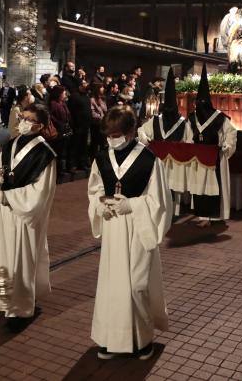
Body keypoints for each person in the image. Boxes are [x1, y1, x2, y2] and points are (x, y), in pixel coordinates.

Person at [87, 105, 171, 360]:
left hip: (138, 227)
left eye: (117, 135)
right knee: (113, 285)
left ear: (132, 131)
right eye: (109, 136)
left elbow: (160, 202)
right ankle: (111, 338)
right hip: (113, 227)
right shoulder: (102, 158)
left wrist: (131, 204)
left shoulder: (149, 160)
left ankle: (142, 339)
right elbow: (94, 189)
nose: (113, 140)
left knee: (137, 284)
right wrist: (101, 205)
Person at [0, 103, 57, 331]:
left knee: (22, 261)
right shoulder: (11, 144)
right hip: (6, 215)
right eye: (22, 117)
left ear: (39, 126)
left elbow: (41, 192)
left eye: (28, 119)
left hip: (25, 216)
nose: (22, 121)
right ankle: (5, 301)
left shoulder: (45, 154)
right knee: (5, 258)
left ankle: (21, 310)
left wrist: (8, 197)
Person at [183, 64, 237, 226]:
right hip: (199, 160)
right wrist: (190, 146)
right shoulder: (192, 118)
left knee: (214, 186)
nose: (199, 106)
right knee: (200, 187)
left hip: (216, 159)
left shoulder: (219, 118)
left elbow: (231, 132)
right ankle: (203, 216)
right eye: (198, 102)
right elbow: (187, 136)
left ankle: (213, 215)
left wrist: (226, 147)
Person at [138, 68, 188, 217]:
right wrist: (147, 141)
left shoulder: (183, 124)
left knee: (173, 185)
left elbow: (188, 140)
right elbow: (141, 131)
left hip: (175, 163)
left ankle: (174, 210)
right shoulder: (155, 121)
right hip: (157, 161)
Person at [68, 79, 92, 170]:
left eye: (86, 83)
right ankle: (72, 164)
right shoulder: (74, 96)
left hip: (85, 126)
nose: (86, 85)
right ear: (79, 86)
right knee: (75, 145)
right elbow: (71, 111)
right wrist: (74, 124)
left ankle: (82, 163)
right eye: (84, 83)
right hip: (77, 126)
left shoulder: (86, 96)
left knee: (83, 146)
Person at [48, 85, 72, 175]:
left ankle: (61, 169)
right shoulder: (53, 104)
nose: (65, 94)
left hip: (64, 130)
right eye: (63, 93)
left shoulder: (62, 103)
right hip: (58, 131)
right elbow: (51, 117)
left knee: (62, 151)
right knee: (57, 151)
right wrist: (60, 124)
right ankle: (57, 171)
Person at [89, 83, 108, 158]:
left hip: (102, 123)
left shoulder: (102, 98)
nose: (103, 88)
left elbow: (105, 109)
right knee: (95, 142)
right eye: (101, 87)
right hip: (96, 124)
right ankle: (93, 159)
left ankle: (102, 158)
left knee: (103, 142)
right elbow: (92, 113)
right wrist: (101, 116)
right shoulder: (92, 99)